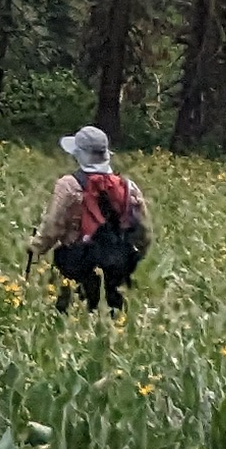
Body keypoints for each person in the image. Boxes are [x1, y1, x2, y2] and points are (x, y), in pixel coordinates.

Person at [37, 126, 149, 313]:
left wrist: (35, 247)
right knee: (114, 322)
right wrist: (133, 256)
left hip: (76, 265)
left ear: (79, 154)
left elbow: (52, 228)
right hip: (116, 269)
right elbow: (143, 232)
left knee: (68, 319)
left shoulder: (68, 185)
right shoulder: (129, 187)